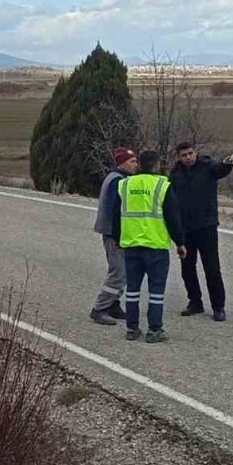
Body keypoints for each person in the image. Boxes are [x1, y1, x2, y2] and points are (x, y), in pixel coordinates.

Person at [103, 150, 186, 343]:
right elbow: (173, 218)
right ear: (157, 165)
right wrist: (180, 242)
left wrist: (117, 238)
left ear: (140, 164)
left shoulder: (125, 185)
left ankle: (132, 329)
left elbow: (116, 216)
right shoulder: (162, 185)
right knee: (156, 291)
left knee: (132, 290)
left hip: (131, 245)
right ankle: (154, 329)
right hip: (155, 246)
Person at [169, 142, 233, 322]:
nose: (188, 157)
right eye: (184, 155)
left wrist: (227, 164)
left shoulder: (207, 165)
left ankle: (218, 307)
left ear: (195, 152)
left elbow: (221, 170)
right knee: (187, 268)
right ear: (179, 157)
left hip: (207, 226)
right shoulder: (175, 174)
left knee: (212, 268)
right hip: (185, 228)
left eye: (190, 153)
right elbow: (170, 199)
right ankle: (195, 302)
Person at [89, 147, 139, 326]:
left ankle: (113, 304)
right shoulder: (117, 181)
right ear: (122, 163)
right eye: (132, 161)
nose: (136, 165)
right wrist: (119, 236)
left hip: (117, 234)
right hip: (114, 235)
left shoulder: (119, 178)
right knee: (118, 273)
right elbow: (115, 212)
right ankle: (100, 309)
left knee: (124, 272)